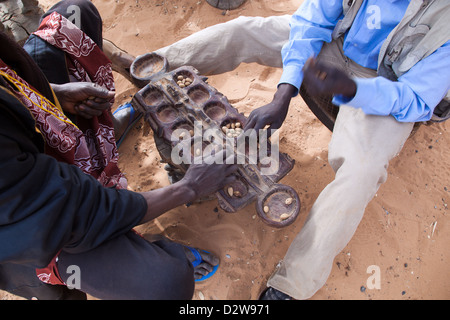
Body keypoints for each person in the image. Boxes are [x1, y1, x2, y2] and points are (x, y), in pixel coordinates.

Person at [153, 0, 450, 299]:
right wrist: (285, 91)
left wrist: (352, 89)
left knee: (362, 171)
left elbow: (416, 99)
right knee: (242, 31)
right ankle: (151, 73)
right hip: (335, 44)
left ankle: (292, 284)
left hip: (385, 85)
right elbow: (312, 21)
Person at [0, 0, 237, 300]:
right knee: (166, 285)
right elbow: (73, 210)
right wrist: (190, 188)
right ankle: (139, 247)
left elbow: (9, 80)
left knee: (74, 15)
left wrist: (52, 94)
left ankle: (101, 132)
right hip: (27, 230)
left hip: (24, 142)